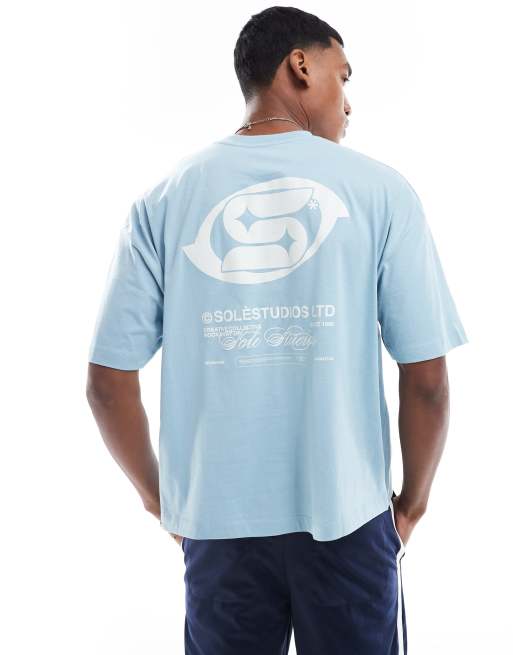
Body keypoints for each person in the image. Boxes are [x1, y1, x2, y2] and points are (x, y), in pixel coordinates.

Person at [86, 6, 468, 654]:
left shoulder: (164, 200)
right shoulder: (379, 191)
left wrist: (163, 502)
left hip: (217, 523)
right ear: (300, 66)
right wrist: (412, 505)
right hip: (348, 518)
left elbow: (106, 384)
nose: (349, 102)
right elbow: (426, 380)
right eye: (343, 76)